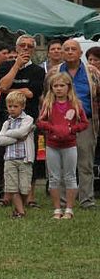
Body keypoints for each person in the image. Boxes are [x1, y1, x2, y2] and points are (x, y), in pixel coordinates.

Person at [38, 71, 88, 220]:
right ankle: (57, 208)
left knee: (70, 176)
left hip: (70, 145)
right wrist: (52, 128)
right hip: (52, 145)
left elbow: (84, 123)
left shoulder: (75, 104)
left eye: (62, 85)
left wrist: (71, 129)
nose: (59, 88)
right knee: (54, 177)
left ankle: (69, 209)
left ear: (69, 87)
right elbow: (40, 122)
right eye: (55, 86)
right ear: (51, 88)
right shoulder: (47, 104)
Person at [58, 38, 96, 208]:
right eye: (67, 49)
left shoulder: (92, 72)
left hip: (85, 123)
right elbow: (45, 97)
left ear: (81, 53)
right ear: (62, 53)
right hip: (61, 124)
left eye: (74, 49)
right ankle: (64, 200)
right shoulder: (55, 72)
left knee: (85, 163)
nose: (70, 51)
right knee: (63, 164)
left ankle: (86, 200)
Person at [0, 92, 36, 219]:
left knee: (25, 188)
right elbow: (0, 141)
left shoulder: (28, 119)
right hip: (10, 159)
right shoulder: (6, 123)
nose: (12, 109)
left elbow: (23, 131)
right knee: (12, 188)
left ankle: (19, 208)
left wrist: (8, 134)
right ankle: (21, 212)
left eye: (15, 106)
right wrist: (17, 138)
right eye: (9, 106)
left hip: (25, 159)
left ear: (22, 106)